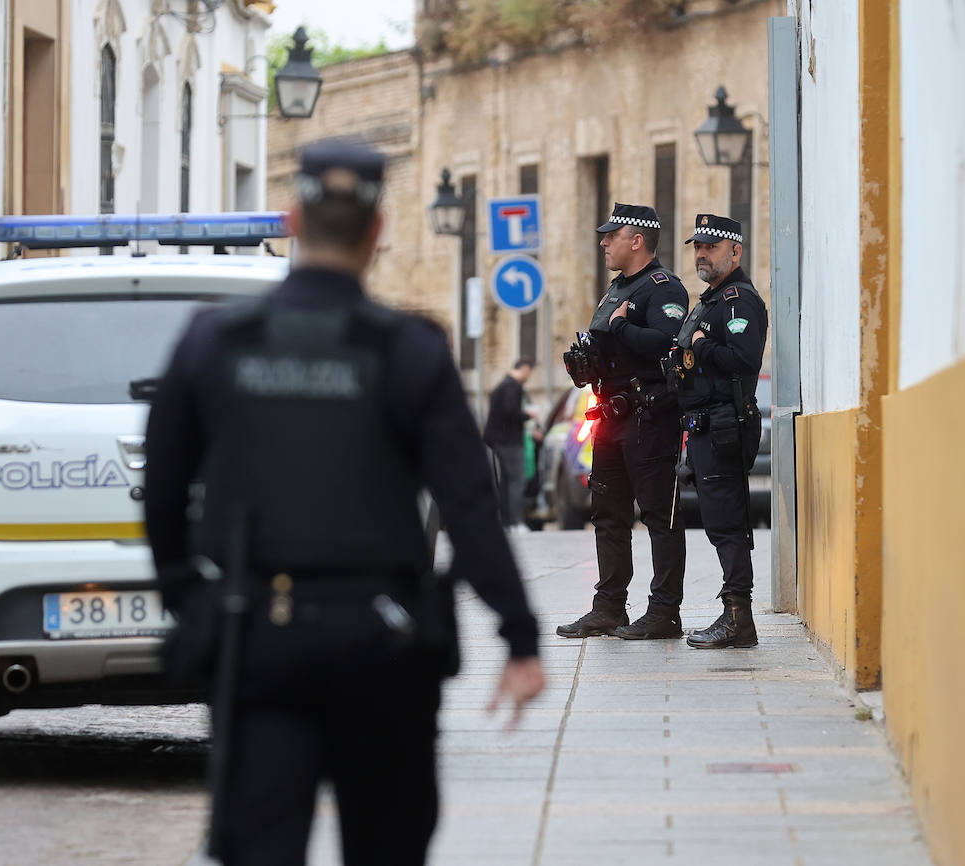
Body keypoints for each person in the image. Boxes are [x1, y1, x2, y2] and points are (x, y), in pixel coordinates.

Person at [142, 138, 545, 866]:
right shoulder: (411, 352)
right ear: (378, 229)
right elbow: (469, 508)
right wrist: (519, 637)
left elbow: (163, 491)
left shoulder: (216, 342)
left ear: (292, 219)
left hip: (257, 634)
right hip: (382, 645)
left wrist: (187, 599)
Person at [556, 203, 689, 641]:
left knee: (659, 517)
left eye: (612, 236)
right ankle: (609, 608)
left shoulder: (663, 288)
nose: (603, 243)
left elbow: (667, 341)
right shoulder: (615, 290)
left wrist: (623, 328)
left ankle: (665, 611)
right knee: (608, 515)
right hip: (609, 418)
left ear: (638, 241)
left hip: (648, 418)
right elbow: (605, 340)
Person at [669, 214, 768, 649]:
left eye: (711, 246)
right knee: (716, 522)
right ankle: (733, 614)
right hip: (704, 425)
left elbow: (744, 360)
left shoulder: (738, 301)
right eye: (697, 247)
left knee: (728, 523)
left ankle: (737, 618)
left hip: (726, 423)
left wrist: (699, 345)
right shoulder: (709, 302)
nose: (702, 254)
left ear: (735, 251)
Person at [483, 359, 536, 532]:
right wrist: (528, 415)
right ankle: (516, 522)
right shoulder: (513, 386)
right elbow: (510, 411)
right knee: (516, 482)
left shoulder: (502, 385)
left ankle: (506, 523)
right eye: (529, 372)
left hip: (498, 441)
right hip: (510, 441)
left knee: (506, 483)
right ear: (525, 369)